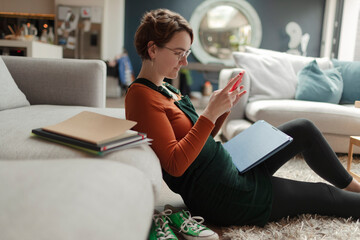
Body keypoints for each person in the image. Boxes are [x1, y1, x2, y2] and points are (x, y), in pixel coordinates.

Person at [125, 8, 360, 239]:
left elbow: (200, 139)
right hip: (224, 194)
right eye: (179, 53)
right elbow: (175, 164)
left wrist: (221, 112)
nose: (184, 62)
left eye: (186, 52)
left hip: (233, 166)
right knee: (323, 195)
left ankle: (352, 184)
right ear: (153, 49)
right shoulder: (141, 97)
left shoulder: (165, 88)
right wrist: (208, 114)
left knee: (303, 128)